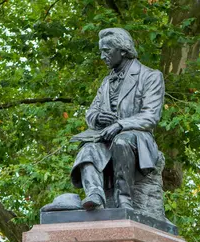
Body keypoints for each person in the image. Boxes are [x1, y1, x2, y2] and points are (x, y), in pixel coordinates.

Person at [70, 28, 165, 210]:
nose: (102, 56)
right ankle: (95, 194)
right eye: (101, 51)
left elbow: (151, 116)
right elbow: (91, 112)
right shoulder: (107, 81)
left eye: (106, 51)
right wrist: (98, 117)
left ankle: (124, 200)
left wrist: (121, 124)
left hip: (137, 138)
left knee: (122, 141)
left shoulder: (150, 76)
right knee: (88, 147)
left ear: (122, 50)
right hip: (105, 136)